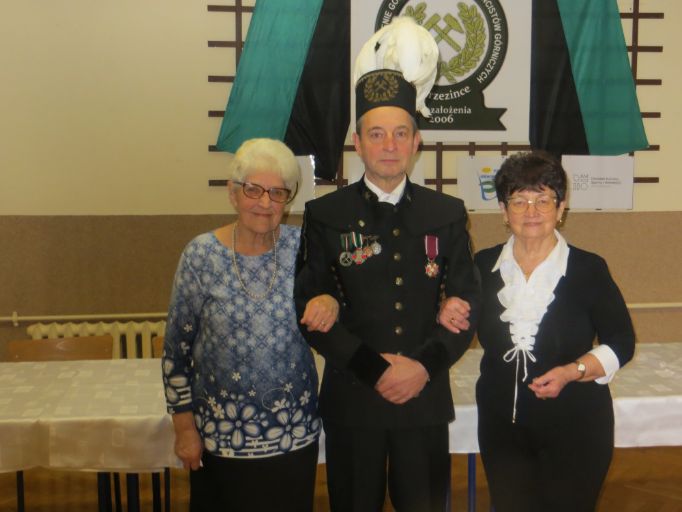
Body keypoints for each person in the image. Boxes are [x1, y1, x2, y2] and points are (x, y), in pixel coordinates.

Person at [294, 17, 481, 512]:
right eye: (377, 134)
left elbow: (468, 303)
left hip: (424, 397)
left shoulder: (446, 213)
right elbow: (308, 306)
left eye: (401, 133)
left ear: (417, 141)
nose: (390, 145)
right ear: (358, 142)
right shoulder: (325, 214)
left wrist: (422, 367)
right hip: (354, 398)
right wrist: (376, 370)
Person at [440, 151, 636, 512]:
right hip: (502, 428)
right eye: (519, 201)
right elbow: (458, 327)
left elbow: (622, 342)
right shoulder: (482, 265)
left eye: (543, 200)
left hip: (577, 426)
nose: (531, 211)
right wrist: (447, 311)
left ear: (560, 208)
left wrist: (574, 370)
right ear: (504, 210)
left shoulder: (589, 268)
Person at [160, 138, 338, 512]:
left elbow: (339, 298)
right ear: (233, 193)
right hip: (221, 438)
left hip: (293, 434)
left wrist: (332, 302)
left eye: (277, 192)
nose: (265, 202)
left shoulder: (304, 248)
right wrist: (184, 429)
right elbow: (176, 352)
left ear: (288, 200)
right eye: (253, 189)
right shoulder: (200, 256)